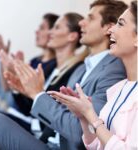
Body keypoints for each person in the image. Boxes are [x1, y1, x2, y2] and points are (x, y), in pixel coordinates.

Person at [0, 0, 127, 150]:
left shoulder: (113, 71)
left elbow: (80, 134)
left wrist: (37, 94)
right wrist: (28, 91)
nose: (82, 23)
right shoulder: (83, 69)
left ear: (108, 27)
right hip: (48, 139)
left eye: (90, 18)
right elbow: (58, 114)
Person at [48, 1, 138, 149]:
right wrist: (83, 117)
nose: (111, 31)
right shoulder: (118, 88)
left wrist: (91, 117)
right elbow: (96, 145)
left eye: (120, 24)